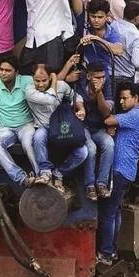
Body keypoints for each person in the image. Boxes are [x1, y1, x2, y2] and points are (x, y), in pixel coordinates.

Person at [96, 81, 139, 266]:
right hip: (125, 171)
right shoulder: (138, 114)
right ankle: (111, 250)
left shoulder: (136, 115)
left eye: (125, 98)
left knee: (108, 212)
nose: (122, 101)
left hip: (120, 170)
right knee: (115, 211)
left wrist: (111, 124)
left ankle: (106, 252)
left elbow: (109, 120)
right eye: (120, 98)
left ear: (136, 98)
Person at [0, 58, 42, 188]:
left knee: (29, 143)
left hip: (26, 125)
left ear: (16, 72)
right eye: (1, 70)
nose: (3, 73)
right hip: (4, 128)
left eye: (7, 70)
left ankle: (41, 177)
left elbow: (45, 82)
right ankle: (22, 178)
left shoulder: (26, 81)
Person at [25, 56, 88, 190]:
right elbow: (49, 99)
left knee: (83, 152)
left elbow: (76, 97)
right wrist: (54, 80)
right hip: (45, 127)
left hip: (61, 128)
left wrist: (81, 108)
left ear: (49, 77)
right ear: (32, 78)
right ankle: (45, 172)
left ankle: (58, 173)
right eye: (37, 81)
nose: (40, 84)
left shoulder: (62, 86)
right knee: (38, 136)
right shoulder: (30, 91)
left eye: (44, 80)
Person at [79, 64, 115, 200]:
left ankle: (101, 183)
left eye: (103, 77)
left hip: (98, 126)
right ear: (89, 77)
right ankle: (89, 185)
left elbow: (106, 111)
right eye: (97, 77)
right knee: (91, 148)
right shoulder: (81, 81)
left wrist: (99, 92)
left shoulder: (107, 87)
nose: (101, 80)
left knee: (109, 144)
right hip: (82, 126)